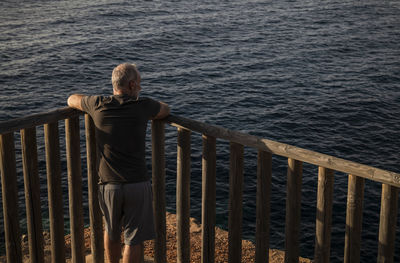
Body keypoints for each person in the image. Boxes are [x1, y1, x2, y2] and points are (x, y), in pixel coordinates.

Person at [67, 63, 170, 263]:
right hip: (137, 183)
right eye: (139, 84)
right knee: (133, 238)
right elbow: (166, 109)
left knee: (111, 231)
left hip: (108, 184)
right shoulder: (144, 106)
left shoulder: (97, 104)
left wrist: (89, 100)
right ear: (131, 85)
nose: (140, 88)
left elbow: (71, 99)